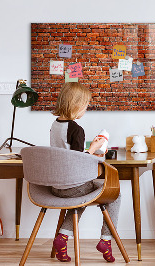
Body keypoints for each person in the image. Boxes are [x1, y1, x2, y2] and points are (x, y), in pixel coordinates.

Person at [50, 82, 120, 263]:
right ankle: (106, 240)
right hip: (73, 186)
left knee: (80, 197)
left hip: (56, 186)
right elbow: (78, 161)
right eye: (85, 105)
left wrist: (90, 149)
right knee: (115, 194)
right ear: (76, 105)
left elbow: (67, 154)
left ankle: (62, 238)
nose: (85, 109)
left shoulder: (55, 125)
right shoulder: (76, 129)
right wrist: (95, 148)